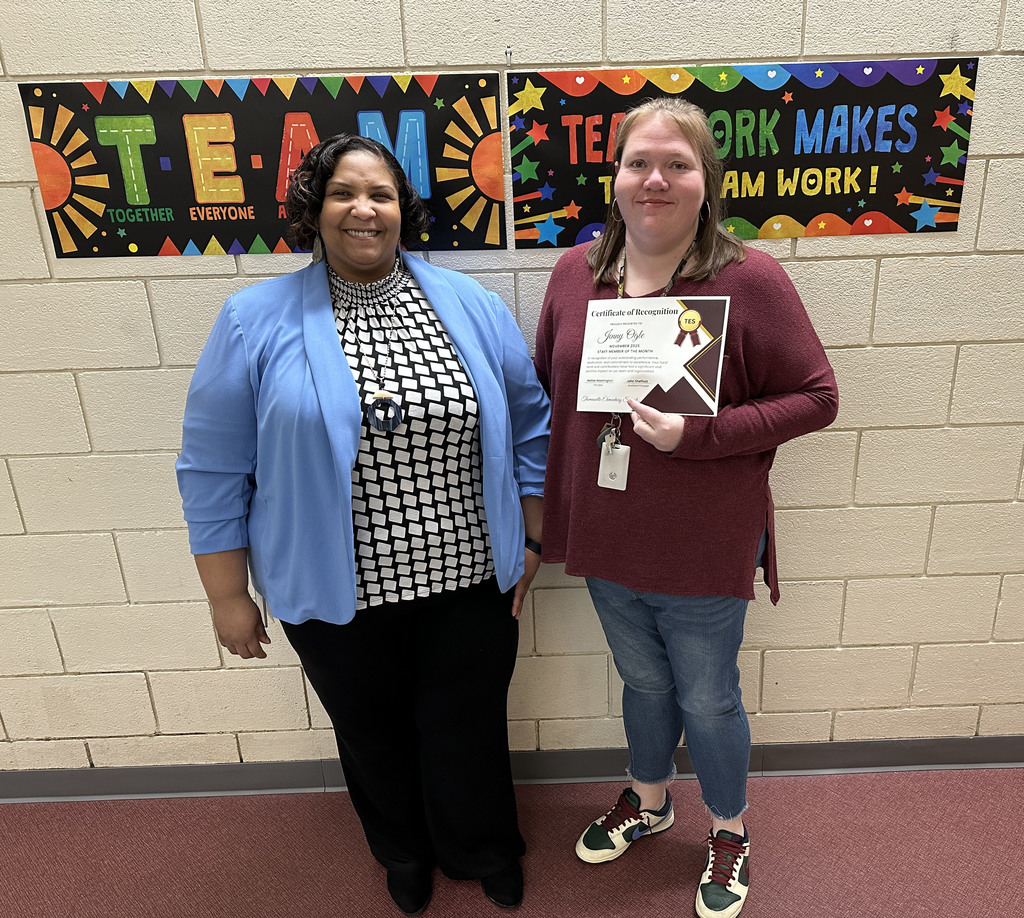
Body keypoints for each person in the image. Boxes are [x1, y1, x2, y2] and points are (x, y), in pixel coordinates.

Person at [176, 134, 549, 916]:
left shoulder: (472, 307)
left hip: (469, 579)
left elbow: (529, 425)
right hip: (334, 587)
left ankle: (480, 847)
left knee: (468, 726)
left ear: (401, 209)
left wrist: (535, 539)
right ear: (316, 210)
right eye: (344, 192)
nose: (363, 209)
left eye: (379, 193)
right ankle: (402, 852)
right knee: (371, 733)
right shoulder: (252, 320)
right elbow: (211, 466)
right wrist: (226, 595)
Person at [534, 98, 839, 918]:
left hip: (703, 542)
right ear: (616, 176)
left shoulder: (748, 279)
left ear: (706, 180)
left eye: (677, 164)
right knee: (641, 681)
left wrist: (696, 436)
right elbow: (548, 402)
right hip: (606, 534)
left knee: (707, 697)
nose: (655, 179)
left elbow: (817, 397)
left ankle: (729, 828)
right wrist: (544, 522)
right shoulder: (575, 275)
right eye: (639, 163)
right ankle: (651, 796)